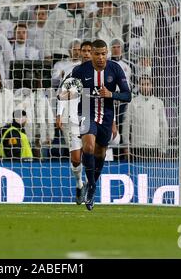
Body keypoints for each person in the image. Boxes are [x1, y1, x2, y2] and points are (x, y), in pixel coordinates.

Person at [70, 39, 131, 210]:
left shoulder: (115, 69)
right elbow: (69, 91)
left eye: (103, 54)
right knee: (88, 147)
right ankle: (91, 185)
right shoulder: (80, 70)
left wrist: (111, 94)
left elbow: (128, 95)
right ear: (91, 55)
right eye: (97, 54)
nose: (100, 57)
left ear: (107, 53)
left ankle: (92, 185)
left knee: (100, 153)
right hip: (86, 112)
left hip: (106, 115)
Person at [56, 40, 92, 205]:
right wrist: (59, 114)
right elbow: (63, 93)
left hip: (90, 117)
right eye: (83, 50)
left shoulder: (100, 72)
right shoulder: (72, 72)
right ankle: (79, 184)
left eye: (88, 51)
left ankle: (88, 184)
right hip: (72, 119)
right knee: (76, 159)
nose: (85, 53)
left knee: (89, 152)